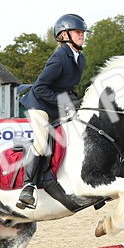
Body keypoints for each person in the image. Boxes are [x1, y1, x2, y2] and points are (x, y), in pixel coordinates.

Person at [16, 13, 88, 209]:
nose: (82, 35)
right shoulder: (59, 58)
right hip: (40, 106)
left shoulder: (80, 59)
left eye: (83, 32)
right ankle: (28, 187)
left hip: (58, 106)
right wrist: (64, 103)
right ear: (64, 35)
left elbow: (67, 87)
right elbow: (39, 88)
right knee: (41, 143)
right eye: (78, 32)